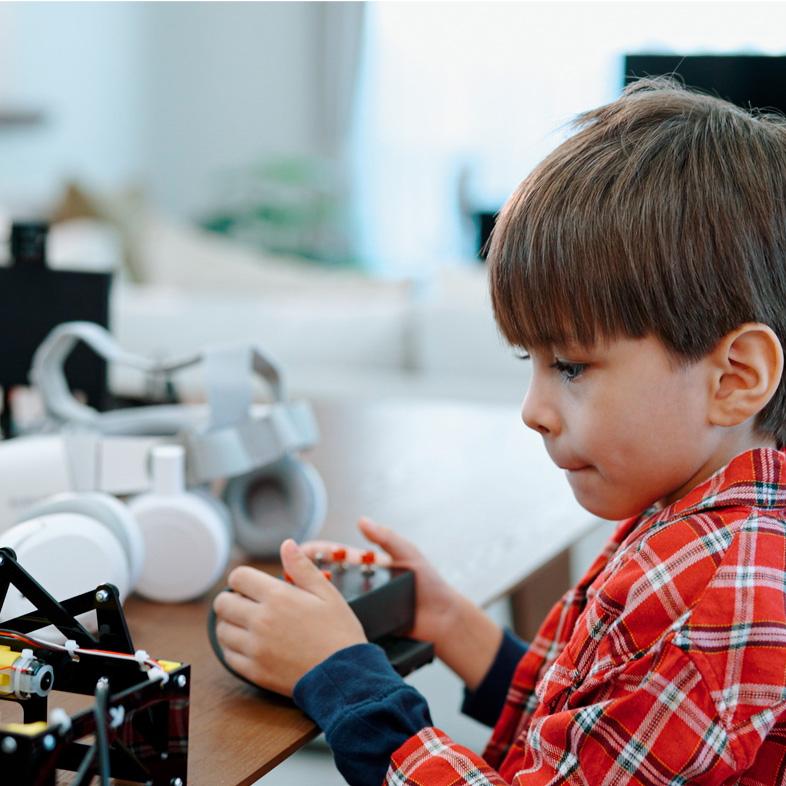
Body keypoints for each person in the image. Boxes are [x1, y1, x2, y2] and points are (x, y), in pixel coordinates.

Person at [212, 78, 786, 785]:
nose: (533, 409)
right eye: (533, 363)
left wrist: (346, 683)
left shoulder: (714, 594)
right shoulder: (701, 527)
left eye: (571, 367)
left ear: (735, 378)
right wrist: (451, 620)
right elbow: (593, 727)